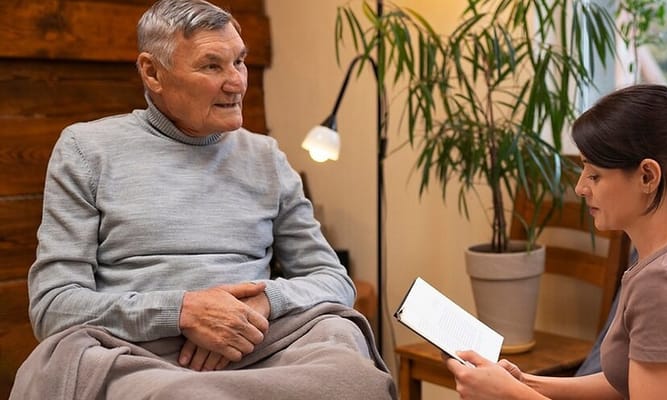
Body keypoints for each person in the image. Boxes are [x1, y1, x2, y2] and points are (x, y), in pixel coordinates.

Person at [11, 1, 395, 398]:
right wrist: (181, 312)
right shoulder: (86, 150)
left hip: (260, 342)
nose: (237, 82)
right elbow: (54, 305)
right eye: (212, 66)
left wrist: (263, 303)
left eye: (240, 62)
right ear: (152, 72)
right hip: (136, 353)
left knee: (351, 366)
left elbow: (334, 280)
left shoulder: (266, 157)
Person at [444, 84, 667, 400]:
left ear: (648, 176)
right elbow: (632, 381)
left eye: (594, 176)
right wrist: (527, 383)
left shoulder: (666, 282)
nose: (579, 188)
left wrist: (509, 395)